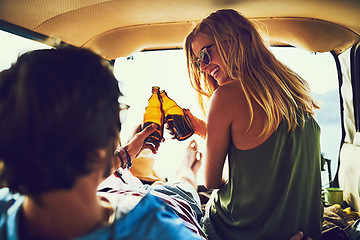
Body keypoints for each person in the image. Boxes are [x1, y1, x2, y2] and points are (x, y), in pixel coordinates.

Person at [0, 47, 206, 240]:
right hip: (169, 201)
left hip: (117, 186)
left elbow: (58, 169)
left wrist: (125, 153)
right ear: (99, 146)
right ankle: (187, 168)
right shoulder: (159, 231)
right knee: (183, 183)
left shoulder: (6, 205)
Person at [182, 9, 324, 240]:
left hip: (246, 231)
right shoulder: (296, 88)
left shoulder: (225, 96)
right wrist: (203, 129)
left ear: (234, 42)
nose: (204, 68)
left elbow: (212, 181)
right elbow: (266, 153)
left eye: (205, 56)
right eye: (198, 63)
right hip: (306, 231)